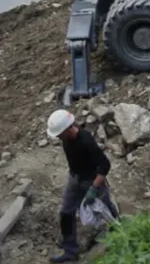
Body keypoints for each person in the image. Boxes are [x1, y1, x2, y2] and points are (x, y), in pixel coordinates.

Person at [46, 109, 119, 263]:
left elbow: (104, 166)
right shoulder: (66, 139)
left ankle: (121, 239)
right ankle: (70, 252)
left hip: (92, 181)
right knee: (66, 213)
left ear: (67, 129)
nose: (58, 137)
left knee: (107, 213)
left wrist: (93, 189)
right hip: (75, 178)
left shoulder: (86, 141)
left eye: (59, 133)